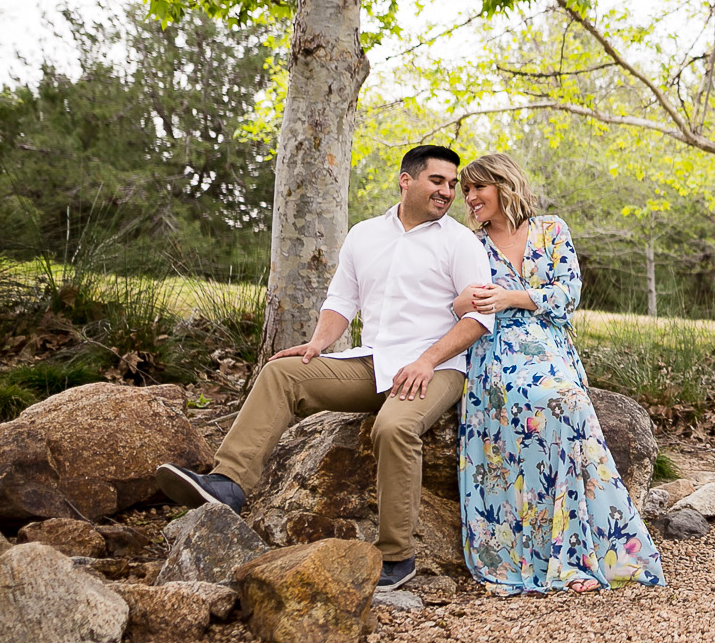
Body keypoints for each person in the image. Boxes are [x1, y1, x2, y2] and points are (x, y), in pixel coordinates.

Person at [156, 145, 495, 591]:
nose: (448, 192)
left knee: (393, 428)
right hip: (372, 362)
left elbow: (479, 317)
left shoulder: (460, 242)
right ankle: (228, 484)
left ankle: (398, 556)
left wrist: (427, 360)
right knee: (283, 373)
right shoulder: (364, 235)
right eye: (438, 181)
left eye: (452, 185)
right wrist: (317, 344)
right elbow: (341, 301)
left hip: (438, 366)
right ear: (406, 180)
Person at [455, 152, 665, 595]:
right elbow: (455, 302)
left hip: (549, 345)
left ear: (504, 185)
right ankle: (540, 554)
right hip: (494, 349)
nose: (470, 198)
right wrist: (467, 303)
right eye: (465, 190)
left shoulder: (551, 229)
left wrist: (511, 297)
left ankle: (586, 552)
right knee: (534, 424)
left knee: (570, 409)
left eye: (478, 187)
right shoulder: (468, 245)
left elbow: (567, 294)